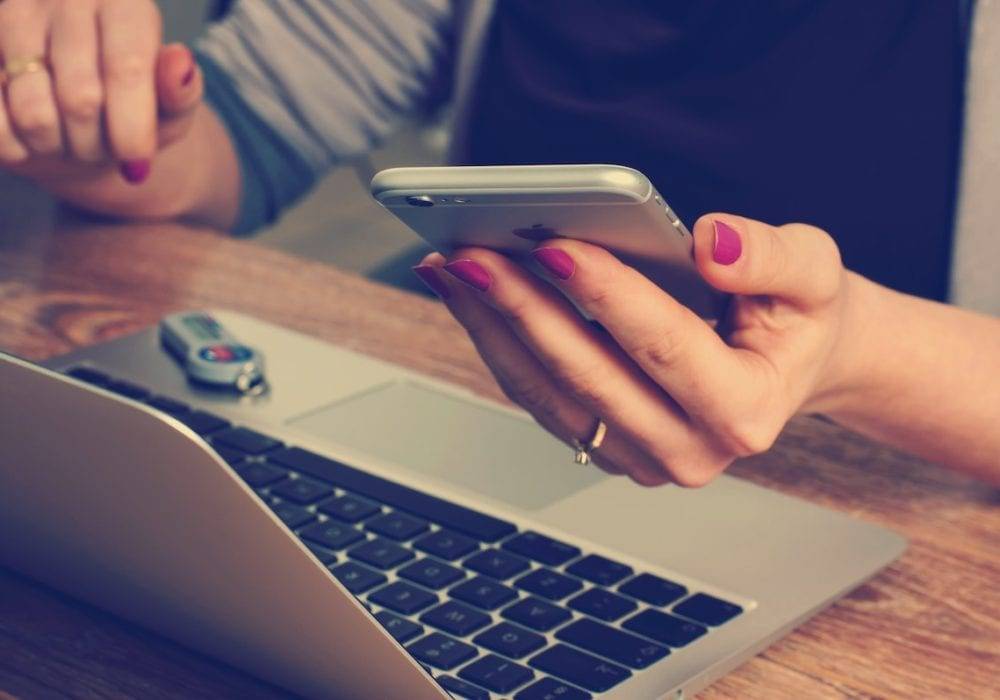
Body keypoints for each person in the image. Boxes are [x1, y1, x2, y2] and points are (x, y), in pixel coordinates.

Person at [0, 0, 997, 485]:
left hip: (910, 524)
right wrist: (104, 122)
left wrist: (856, 349)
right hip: (486, 449)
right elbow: (251, 126)